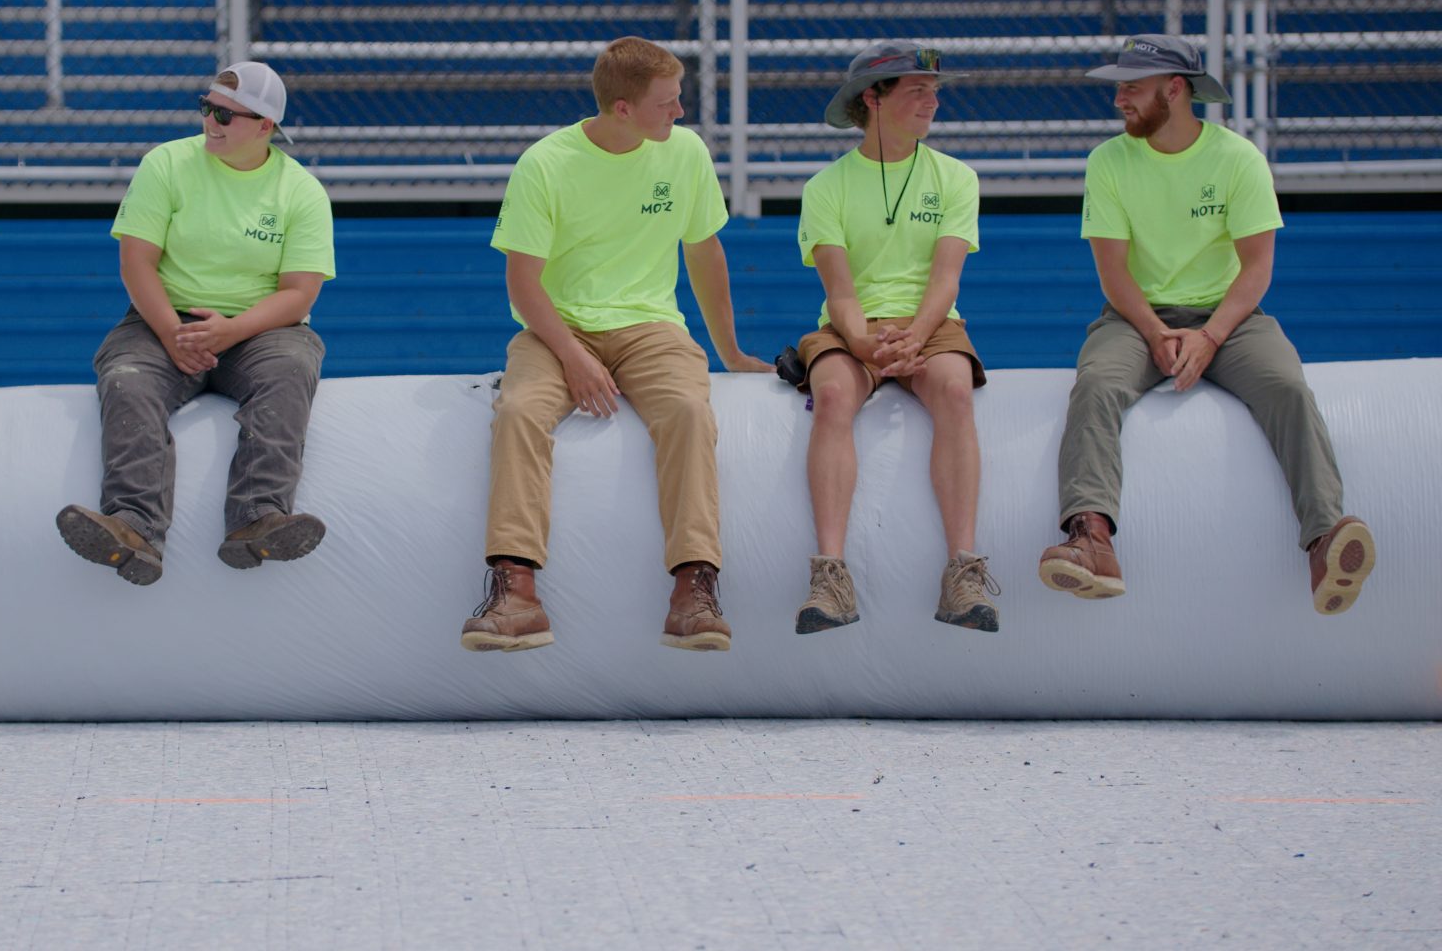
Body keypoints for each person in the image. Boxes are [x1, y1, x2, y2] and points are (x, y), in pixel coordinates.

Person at [1039, 34, 1375, 614]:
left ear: (1175, 90)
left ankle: (1325, 542)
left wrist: (1210, 335)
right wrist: (1153, 332)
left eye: (1132, 87)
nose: (1118, 98)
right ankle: (1091, 540)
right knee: (1096, 385)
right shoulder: (1108, 161)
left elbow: (1257, 267)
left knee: (1288, 387)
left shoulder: (1238, 158)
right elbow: (1114, 274)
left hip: (1230, 318)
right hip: (1136, 316)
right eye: (1118, 86)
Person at [461, 35, 773, 655]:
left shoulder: (684, 153)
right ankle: (515, 592)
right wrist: (574, 358)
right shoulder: (546, 164)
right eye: (668, 102)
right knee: (520, 412)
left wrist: (732, 353)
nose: (680, 113)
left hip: (652, 326)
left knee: (688, 412)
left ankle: (694, 589)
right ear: (623, 109)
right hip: (557, 328)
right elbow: (523, 284)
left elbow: (704, 253)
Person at [57, 62, 333, 584]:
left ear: (264, 126)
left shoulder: (301, 191)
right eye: (207, 107)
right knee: (127, 379)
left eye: (226, 114)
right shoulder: (165, 163)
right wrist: (168, 332)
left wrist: (232, 330)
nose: (211, 120)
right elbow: (136, 261)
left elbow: (299, 295)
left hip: (260, 329)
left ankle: (259, 518)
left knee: (292, 369)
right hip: (165, 319)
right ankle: (132, 526)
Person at [783, 40, 1001, 635]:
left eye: (934, 91)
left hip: (931, 326)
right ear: (872, 99)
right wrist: (861, 343)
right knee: (830, 396)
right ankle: (829, 577)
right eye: (917, 91)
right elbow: (841, 292)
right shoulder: (826, 187)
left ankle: (964, 571)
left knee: (955, 391)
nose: (932, 100)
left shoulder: (957, 177)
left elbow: (946, 279)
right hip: (854, 327)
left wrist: (917, 336)